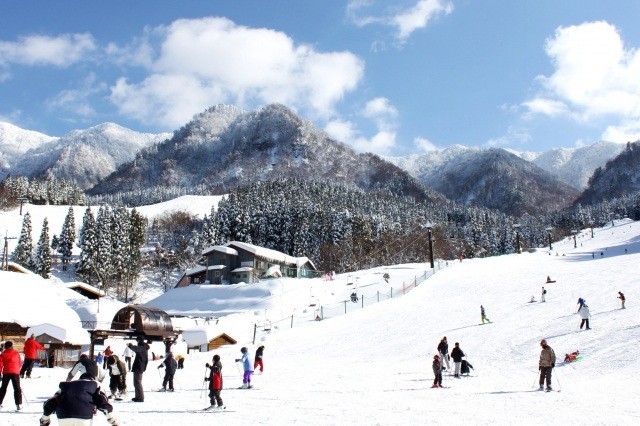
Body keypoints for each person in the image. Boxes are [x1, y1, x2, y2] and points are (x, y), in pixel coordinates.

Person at [40, 372, 119, 426]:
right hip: (84, 417)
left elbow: (53, 401)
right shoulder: (95, 384)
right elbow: (101, 401)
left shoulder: (66, 386)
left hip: (64, 416)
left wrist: (45, 419)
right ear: (92, 379)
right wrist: (111, 418)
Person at [0, 341, 23, 410]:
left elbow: (0, 364)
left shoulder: (3, 354)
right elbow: (20, 363)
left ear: (5, 347)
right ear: (11, 346)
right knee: (17, 389)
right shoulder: (16, 353)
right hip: (15, 372)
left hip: (6, 372)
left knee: (3, 388)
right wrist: (17, 369)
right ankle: (18, 404)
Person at [128, 338, 150, 402]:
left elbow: (136, 348)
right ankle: (138, 397)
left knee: (138, 383)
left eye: (137, 340)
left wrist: (130, 345)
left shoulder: (142, 347)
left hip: (138, 367)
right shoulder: (144, 348)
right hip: (139, 367)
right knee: (136, 383)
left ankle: (140, 398)